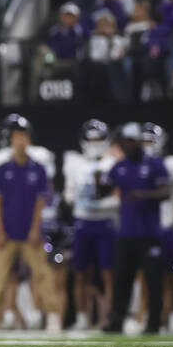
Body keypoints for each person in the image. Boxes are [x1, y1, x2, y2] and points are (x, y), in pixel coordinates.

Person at [0, 115, 62, 331]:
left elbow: (41, 203)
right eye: (17, 138)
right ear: (12, 141)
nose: (20, 141)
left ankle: (53, 316)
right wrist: (0, 231)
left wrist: (35, 229)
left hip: (31, 233)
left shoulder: (38, 168)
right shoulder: (2, 169)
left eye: (23, 137)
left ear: (28, 140)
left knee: (43, 275)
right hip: (8, 232)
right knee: (0, 277)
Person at [98, 123, 172, 334]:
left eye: (132, 141)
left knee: (153, 282)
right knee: (122, 280)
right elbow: (103, 191)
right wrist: (98, 180)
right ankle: (117, 321)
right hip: (126, 234)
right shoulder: (119, 167)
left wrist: (142, 195)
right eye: (125, 141)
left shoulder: (155, 164)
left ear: (138, 141)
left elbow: (166, 192)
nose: (129, 145)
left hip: (150, 233)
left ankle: (154, 323)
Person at [63, 119, 118, 330]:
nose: (94, 143)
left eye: (98, 139)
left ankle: (111, 316)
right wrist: (76, 198)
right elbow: (68, 194)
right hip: (83, 222)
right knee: (80, 273)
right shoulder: (76, 164)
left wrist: (101, 201)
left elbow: (120, 198)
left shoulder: (112, 164)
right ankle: (82, 317)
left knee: (108, 273)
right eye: (91, 139)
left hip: (106, 222)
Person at [144, 122, 173, 333]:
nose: (146, 146)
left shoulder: (172, 164)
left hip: (169, 226)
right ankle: (149, 317)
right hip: (148, 228)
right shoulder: (138, 166)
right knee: (148, 278)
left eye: (150, 141)